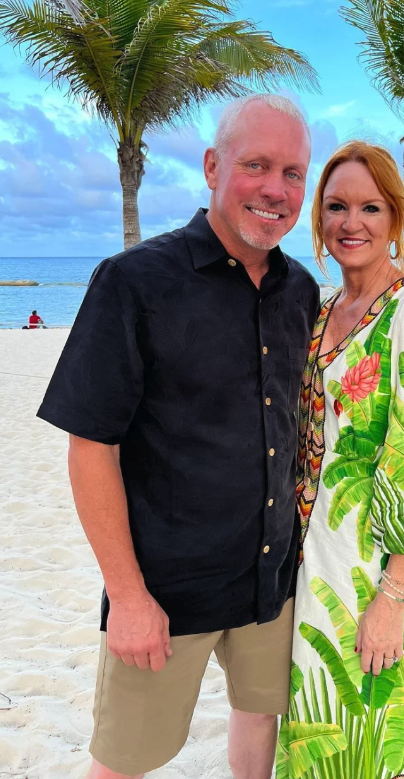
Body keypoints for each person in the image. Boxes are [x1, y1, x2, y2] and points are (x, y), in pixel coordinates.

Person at [36, 94, 320, 779]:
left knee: (260, 720)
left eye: (292, 172)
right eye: (256, 165)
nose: (276, 190)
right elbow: (90, 445)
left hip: (270, 581)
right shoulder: (134, 282)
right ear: (213, 166)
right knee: (123, 760)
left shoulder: (302, 290)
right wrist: (128, 597)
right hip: (165, 591)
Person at [277, 142, 404, 779]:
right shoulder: (320, 315)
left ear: (396, 219)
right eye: (337, 206)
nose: (352, 222)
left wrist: (393, 597)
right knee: (321, 733)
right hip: (314, 565)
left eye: (370, 207)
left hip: (377, 575)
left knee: (378, 735)